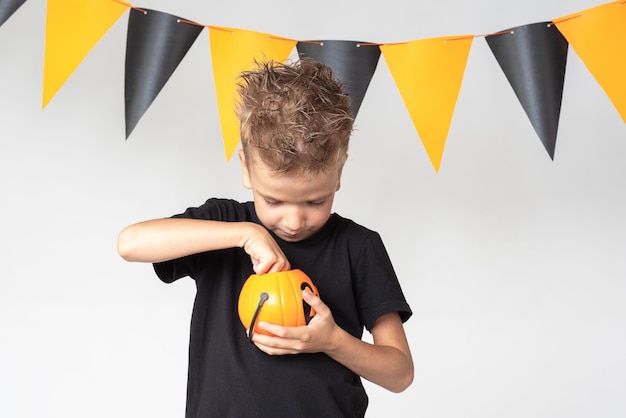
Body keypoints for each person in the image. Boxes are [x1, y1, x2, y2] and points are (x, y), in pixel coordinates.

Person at [117, 58, 413, 417]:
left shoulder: (358, 246)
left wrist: (332, 341)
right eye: (273, 200)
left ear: (339, 172)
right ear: (246, 168)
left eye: (315, 201)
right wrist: (245, 233)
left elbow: (400, 374)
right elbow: (130, 244)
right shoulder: (224, 225)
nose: (293, 219)